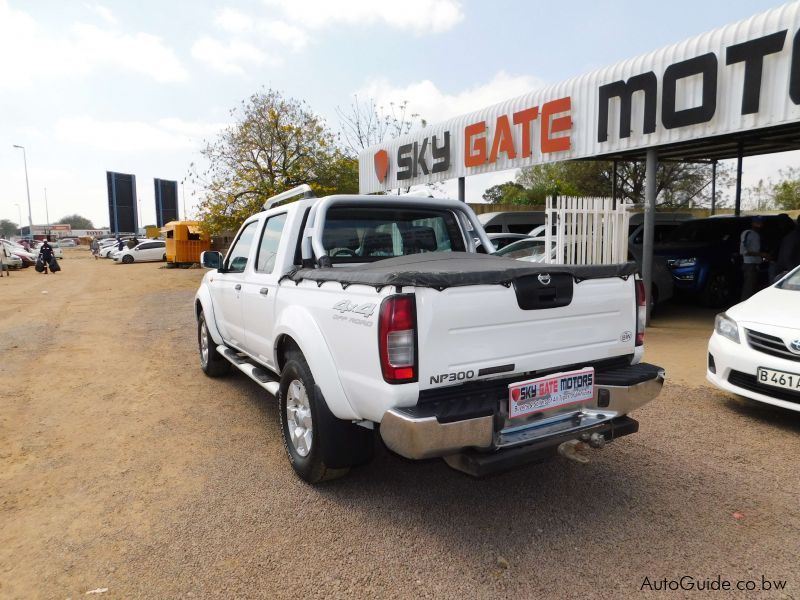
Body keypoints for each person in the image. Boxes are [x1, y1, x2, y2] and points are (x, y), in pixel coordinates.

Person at [740, 216, 769, 300]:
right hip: (749, 265)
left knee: (753, 288)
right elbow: (743, 251)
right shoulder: (747, 233)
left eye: (761, 223)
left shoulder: (757, 234)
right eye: (758, 223)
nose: (760, 225)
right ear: (753, 223)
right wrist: (761, 254)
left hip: (756, 264)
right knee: (748, 289)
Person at [775, 215, 800, 279]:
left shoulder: (794, 236)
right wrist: (793, 274)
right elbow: (787, 257)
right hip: (789, 273)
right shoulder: (793, 237)